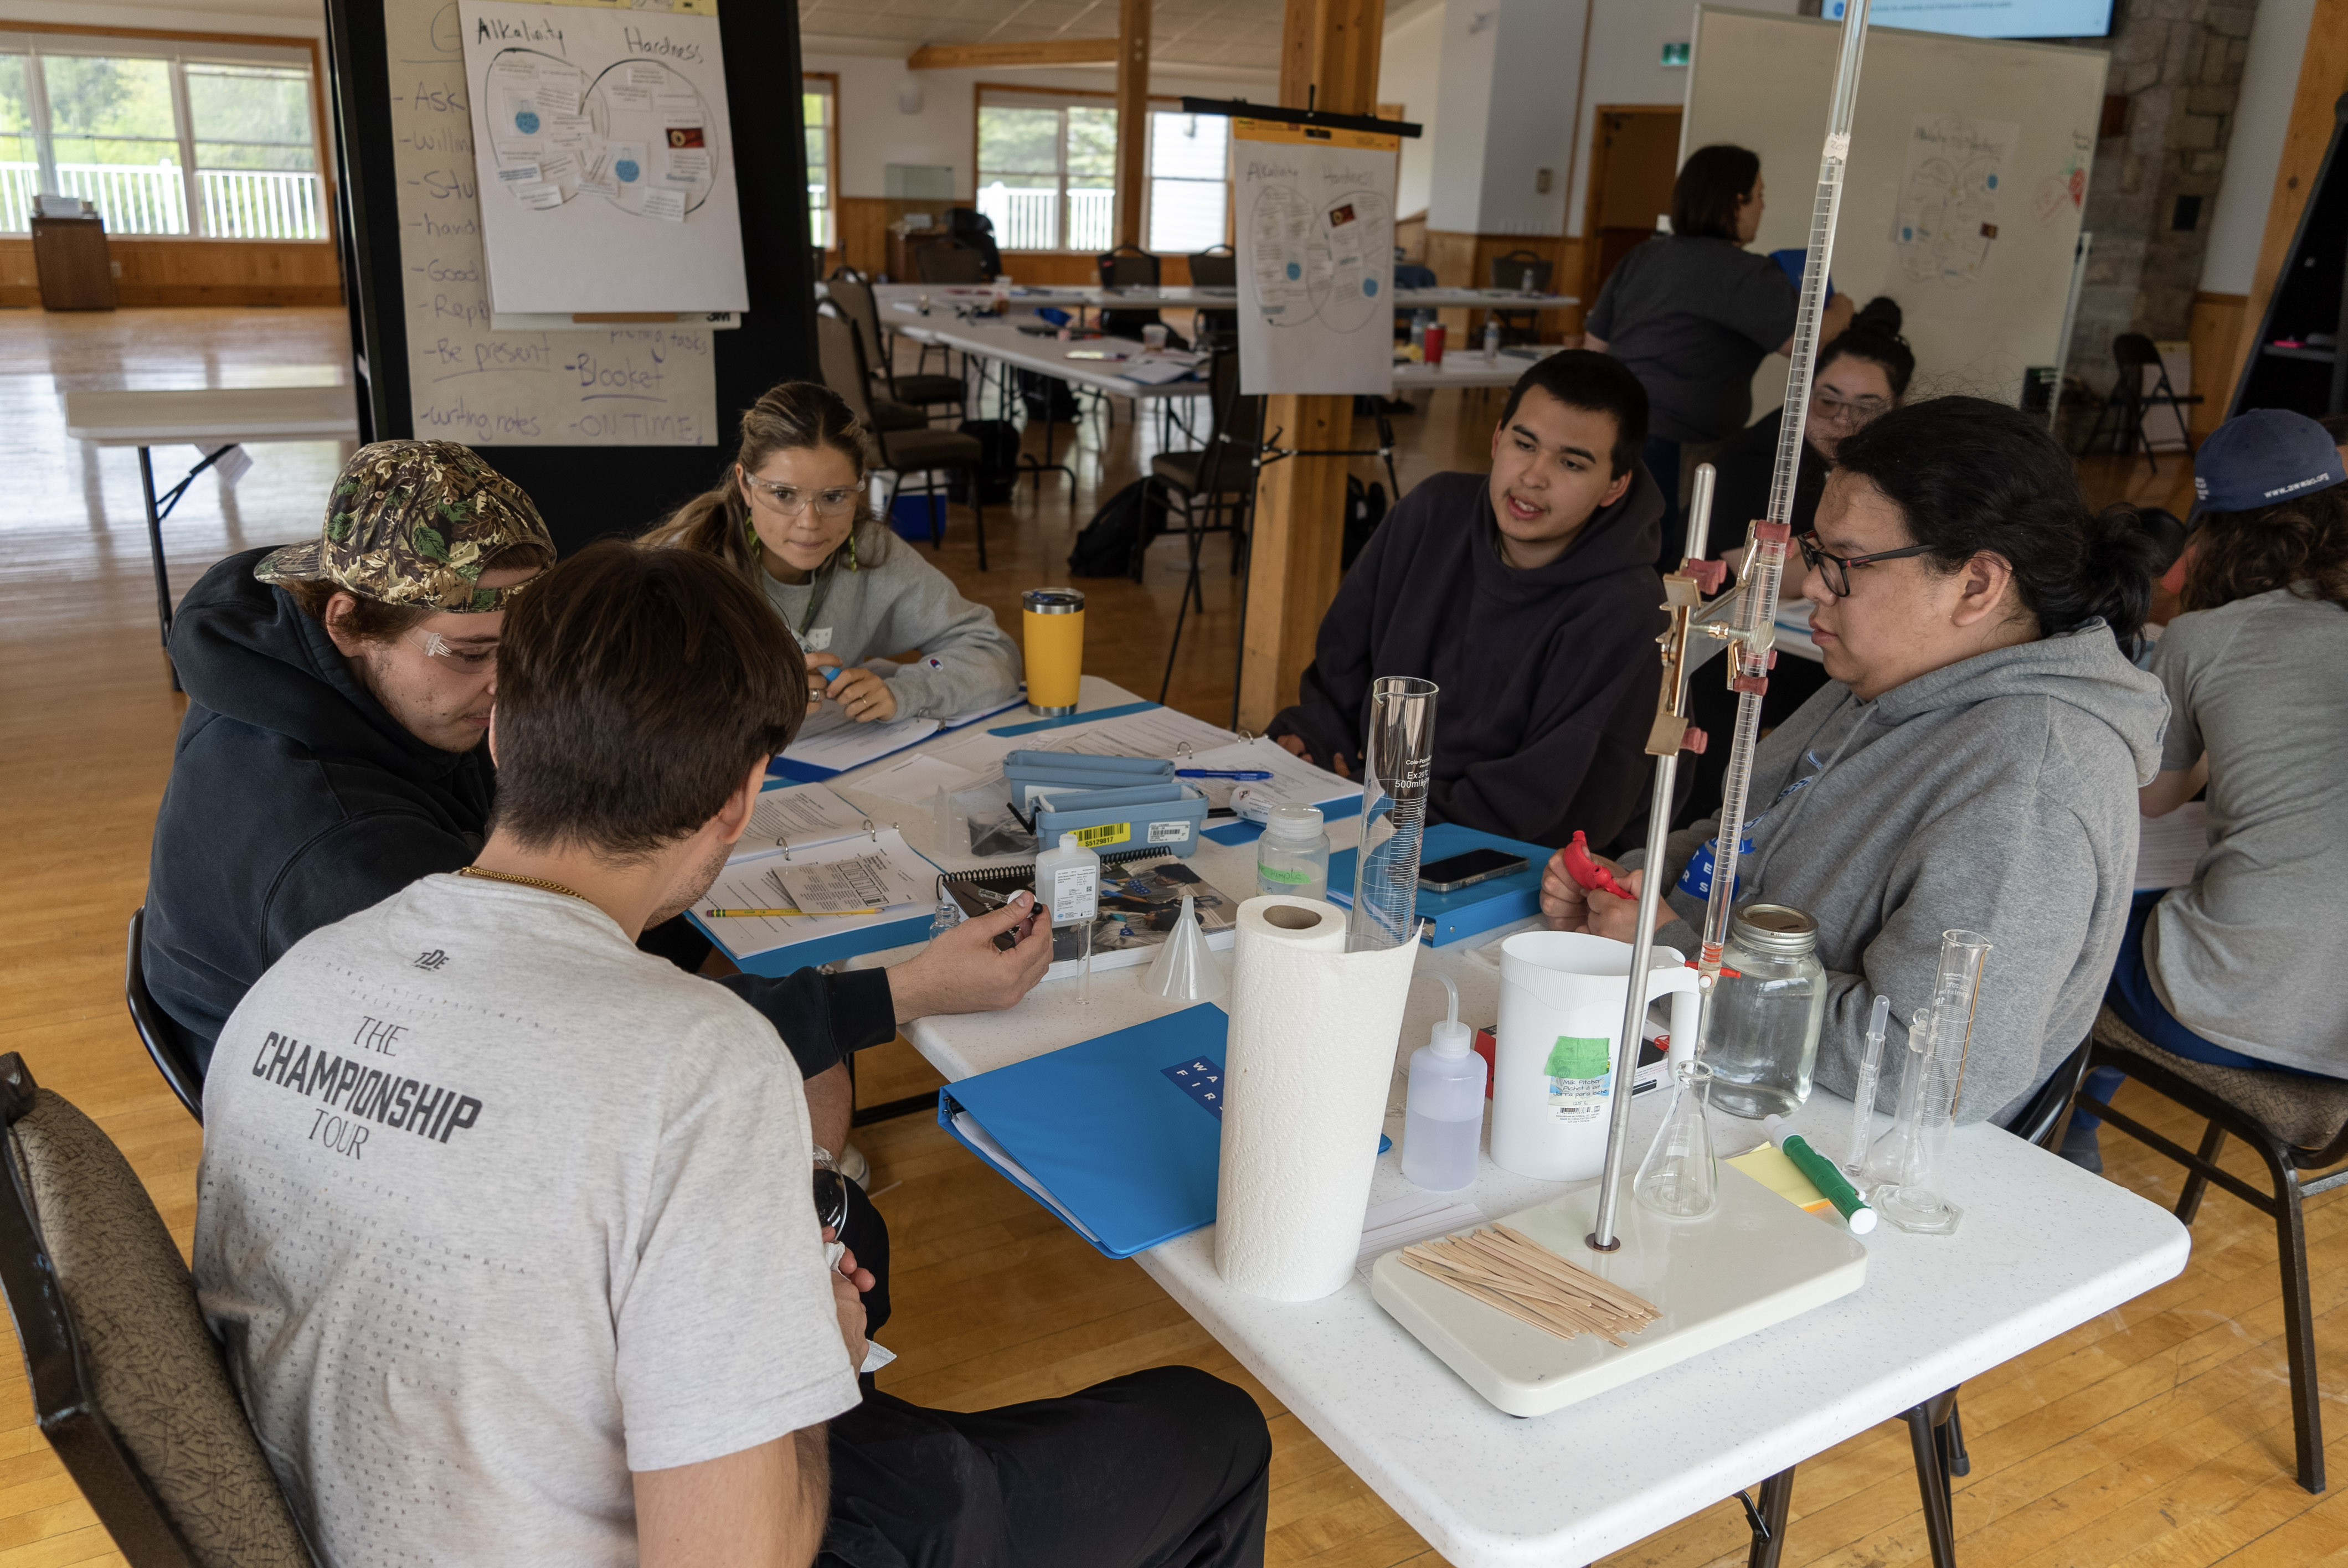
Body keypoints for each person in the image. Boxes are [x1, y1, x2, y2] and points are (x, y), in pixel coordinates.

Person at [194, 539, 1271, 1568]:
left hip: (352, 1517)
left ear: (500, 729)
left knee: (849, 1235)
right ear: (738, 803)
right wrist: (816, 1356)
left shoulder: (297, 981)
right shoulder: (697, 1064)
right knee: (1210, 1430)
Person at [143, 442, 1050, 1329]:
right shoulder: (347, 858)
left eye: (522, 652)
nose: (507, 694)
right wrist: (912, 991)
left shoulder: (359, 684)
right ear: (347, 619)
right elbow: (564, 1061)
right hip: (395, 1156)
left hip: (447, 1055)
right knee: (848, 1239)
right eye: (467, 652)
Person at [1540, 398, 2166, 1125]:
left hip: (1843, 1147)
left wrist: (1672, 957)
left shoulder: (2030, 785)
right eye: (1818, 553)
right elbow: (1745, 831)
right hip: (1726, 1069)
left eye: (1845, 564)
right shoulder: (1893, 679)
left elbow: (1920, 1066)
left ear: (1976, 585)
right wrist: (1640, 887)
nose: (1812, 587)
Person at [2066, 410, 2348, 1169]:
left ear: (2214, 528)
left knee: (2076, 925)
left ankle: (2065, 1137)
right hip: (2339, 1042)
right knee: (2175, 921)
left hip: (2230, 1006)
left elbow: (2150, 797)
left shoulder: (2205, 638)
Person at [1265, 350, 1667, 850]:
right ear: (1498, 439)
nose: (1533, 477)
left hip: (1500, 858)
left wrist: (1378, 807)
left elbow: (1547, 805)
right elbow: (1340, 669)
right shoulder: (1433, 513)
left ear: (1615, 485)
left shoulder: (1630, 610)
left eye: (1570, 463)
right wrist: (1317, 740)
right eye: (1525, 444)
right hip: (1362, 808)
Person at [644, 380, 1021, 725]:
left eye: (834, 497)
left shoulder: (870, 550)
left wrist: (906, 691)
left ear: (860, 488)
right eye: (783, 495)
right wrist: (752, 700)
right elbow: (626, 711)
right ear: (745, 485)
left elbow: (993, 654)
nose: (810, 522)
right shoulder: (683, 569)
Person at [1678, 306, 1914, 823]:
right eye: (1827, 401)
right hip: (1726, 642)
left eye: (1866, 408)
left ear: (1898, 408)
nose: (1842, 421)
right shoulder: (1764, 460)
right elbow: (1757, 576)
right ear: (1803, 394)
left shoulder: (1896, 468)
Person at [1582, 143, 1856, 568]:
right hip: (1678, 449)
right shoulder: (1744, 273)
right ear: (1737, 202)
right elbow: (1809, 346)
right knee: (1661, 560)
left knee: (1607, 543)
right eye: (1760, 195)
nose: (1763, 207)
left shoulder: (1644, 255)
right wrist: (1841, 308)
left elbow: (1593, 350)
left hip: (1608, 428)